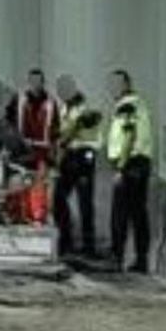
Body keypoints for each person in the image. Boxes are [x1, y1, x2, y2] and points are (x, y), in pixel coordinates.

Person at [106, 70, 154, 273]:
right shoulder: (138, 104)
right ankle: (140, 259)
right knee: (137, 213)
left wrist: (120, 168)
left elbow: (129, 137)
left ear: (127, 85)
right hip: (140, 164)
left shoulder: (128, 106)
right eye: (112, 84)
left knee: (120, 214)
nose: (114, 88)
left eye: (118, 84)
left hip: (131, 164)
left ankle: (116, 258)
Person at [53, 75, 102, 257]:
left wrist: (64, 140)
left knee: (85, 202)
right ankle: (66, 240)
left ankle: (88, 245)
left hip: (83, 156)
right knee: (59, 199)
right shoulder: (65, 108)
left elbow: (73, 132)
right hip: (69, 156)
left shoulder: (84, 111)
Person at [4, 68, 60, 168]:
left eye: (38, 81)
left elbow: (56, 126)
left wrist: (54, 149)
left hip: (43, 153)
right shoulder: (19, 99)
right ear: (29, 82)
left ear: (43, 83)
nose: (35, 84)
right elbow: (9, 119)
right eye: (33, 81)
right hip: (22, 150)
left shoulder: (50, 102)